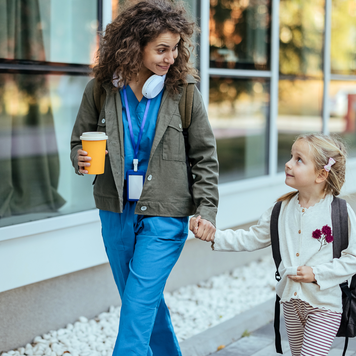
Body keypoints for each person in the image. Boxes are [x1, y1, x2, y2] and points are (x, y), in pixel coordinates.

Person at [70, 1, 218, 355]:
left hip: (166, 213)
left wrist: (206, 210)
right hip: (116, 210)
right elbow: (79, 141)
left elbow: (205, 156)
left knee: (137, 306)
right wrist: (80, 156)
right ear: (135, 46)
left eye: (176, 48)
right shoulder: (101, 90)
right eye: (161, 49)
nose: (171, 57)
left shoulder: (183, 93)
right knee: (143, 302)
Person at [192, 133, 356, 356]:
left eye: (299, 159)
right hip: (290, 303)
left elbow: (352, 259)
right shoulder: (280, 210)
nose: (288, 164)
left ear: (321, 174)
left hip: (324, 305)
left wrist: (316, 273)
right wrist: (214, 236)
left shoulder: (340, 212)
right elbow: (251, 238)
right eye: (291, 156)